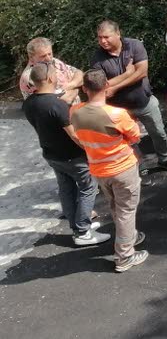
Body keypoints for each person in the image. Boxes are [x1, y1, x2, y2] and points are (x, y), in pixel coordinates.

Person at [69, 70, 149, 271]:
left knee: (116, 206)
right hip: (123, 168)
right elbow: (135, 136)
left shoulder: (75, 112)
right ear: (106, 86)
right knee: (126, 211)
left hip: (98, 169)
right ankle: (124, 257)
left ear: (85, 89)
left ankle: (128, 237)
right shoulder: (117, 114)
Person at [22, 61, 105, 246]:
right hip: (72, 156)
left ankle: (77, 227)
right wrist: (92, 150)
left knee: (67, 189)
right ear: (51, 78)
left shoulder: (28, 104)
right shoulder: (56, 106)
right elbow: (75, 136)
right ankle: (83, 232)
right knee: (88, 187)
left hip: (51, 154)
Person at [91, 20, 167, 173]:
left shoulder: (134, 46)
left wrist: (116, 85)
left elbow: (141, 72)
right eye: (99, 37)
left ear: (118, 34)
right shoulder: (97, 57)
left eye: (106, 37)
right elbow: (101, 85)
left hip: (144, 101)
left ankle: (165, 159)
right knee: (128, 139)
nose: (102, 41)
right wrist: (128, 73)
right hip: (119, 108)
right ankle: (139, 165)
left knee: (158, 133)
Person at [19, 37, 82, 102]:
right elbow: (62, 100)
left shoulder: (54, 62)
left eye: (49, 54)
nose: (48, 58)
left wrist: (72, 84)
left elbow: (78, 73)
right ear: (31, 57)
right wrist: (76, 90)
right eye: (43, 56)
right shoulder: (31, 76)